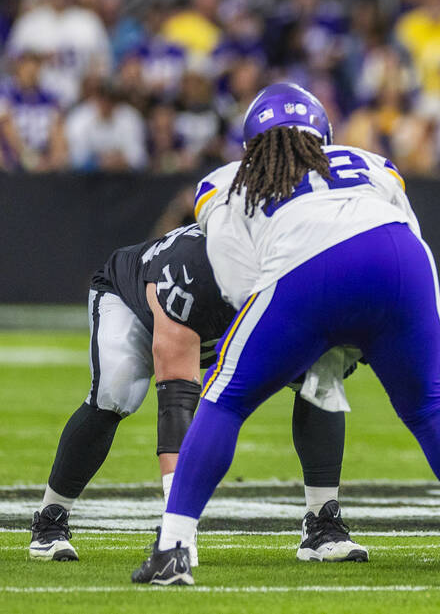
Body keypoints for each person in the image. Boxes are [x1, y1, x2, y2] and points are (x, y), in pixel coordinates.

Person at [131, 83, 440, 586]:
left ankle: (173, 550)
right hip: (404, 262)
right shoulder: (370, 162)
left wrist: (299, 336)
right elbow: (407, 230)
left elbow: (236, 280)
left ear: (252, 145)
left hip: (311, 267)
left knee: (224, 398)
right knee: (429, 407)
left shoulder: (227, 181)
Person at [30, 223, 367, 565]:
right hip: (136, 307)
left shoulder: (305, 264)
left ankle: (322, 523)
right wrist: (178, 527)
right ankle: (50, 520)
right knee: (116, 393)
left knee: (320, 380)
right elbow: (176, 401)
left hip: (224, 320)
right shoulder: (193, 271)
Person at [5, 0, 111, 106]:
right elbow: (11, 63)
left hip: (80, 101)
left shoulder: (89, 22)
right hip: (37, 104)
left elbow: (103, 62)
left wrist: (92, 86)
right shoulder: (29, 23)